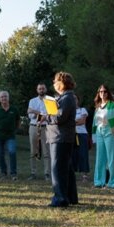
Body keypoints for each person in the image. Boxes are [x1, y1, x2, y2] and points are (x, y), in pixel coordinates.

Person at [45, 72, 78, 207]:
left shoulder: (67, 98)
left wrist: (48, 116)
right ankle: (70, 196)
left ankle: (60, 198)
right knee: (66, 169)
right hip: (63, 137)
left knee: (57, 169)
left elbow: (59, 118)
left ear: (61, 83)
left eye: (55, 82)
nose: (53, 84)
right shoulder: (67, 97)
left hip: (60, 138)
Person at [92, 85, 114, 189]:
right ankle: (99, 182)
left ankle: (113, 182)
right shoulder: (98, 105)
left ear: (108, 93)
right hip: (99, 131)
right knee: (100, 158)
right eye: (100, 91)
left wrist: (112, 127)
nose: (102, 93)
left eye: (104, 91)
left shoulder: (113, 104)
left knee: (112, 157)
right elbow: (95, 121)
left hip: (109, 131)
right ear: (98, 93)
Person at [0, 90, 19, 179]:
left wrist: (15, 130)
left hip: (11, 136)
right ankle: (3, 173)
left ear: (8, 98)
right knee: (0, 154)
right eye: (2, 97)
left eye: (5, 96)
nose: (4, 98)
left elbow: (18, 121)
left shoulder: (14, 109)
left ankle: (13, 173)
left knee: (12, 152)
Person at [26, 83, 50, 180]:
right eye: (39, 89)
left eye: (43, 88)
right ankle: (33, 173)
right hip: (34, 126)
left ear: (46, 89)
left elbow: (51, 114)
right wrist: (38, 113)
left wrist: (35, 112)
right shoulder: (32, 101)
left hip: (46, 127)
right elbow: (30, 115)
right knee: (33, 151)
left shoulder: (50, 100)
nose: (41, 90)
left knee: (46, 151)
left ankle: (47, 173)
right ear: (37, 90)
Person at [73, 95, 90, 181]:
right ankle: (72, 174)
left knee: (83, 154)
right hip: (72, 135)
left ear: (78, 100)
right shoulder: (69, 111)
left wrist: (72, 122)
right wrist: (76, 121)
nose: (74, 100)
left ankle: (84, 175)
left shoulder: (82, 110)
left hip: (82, 134)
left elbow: (82, 121)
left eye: (75, 98)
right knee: (72, 155)